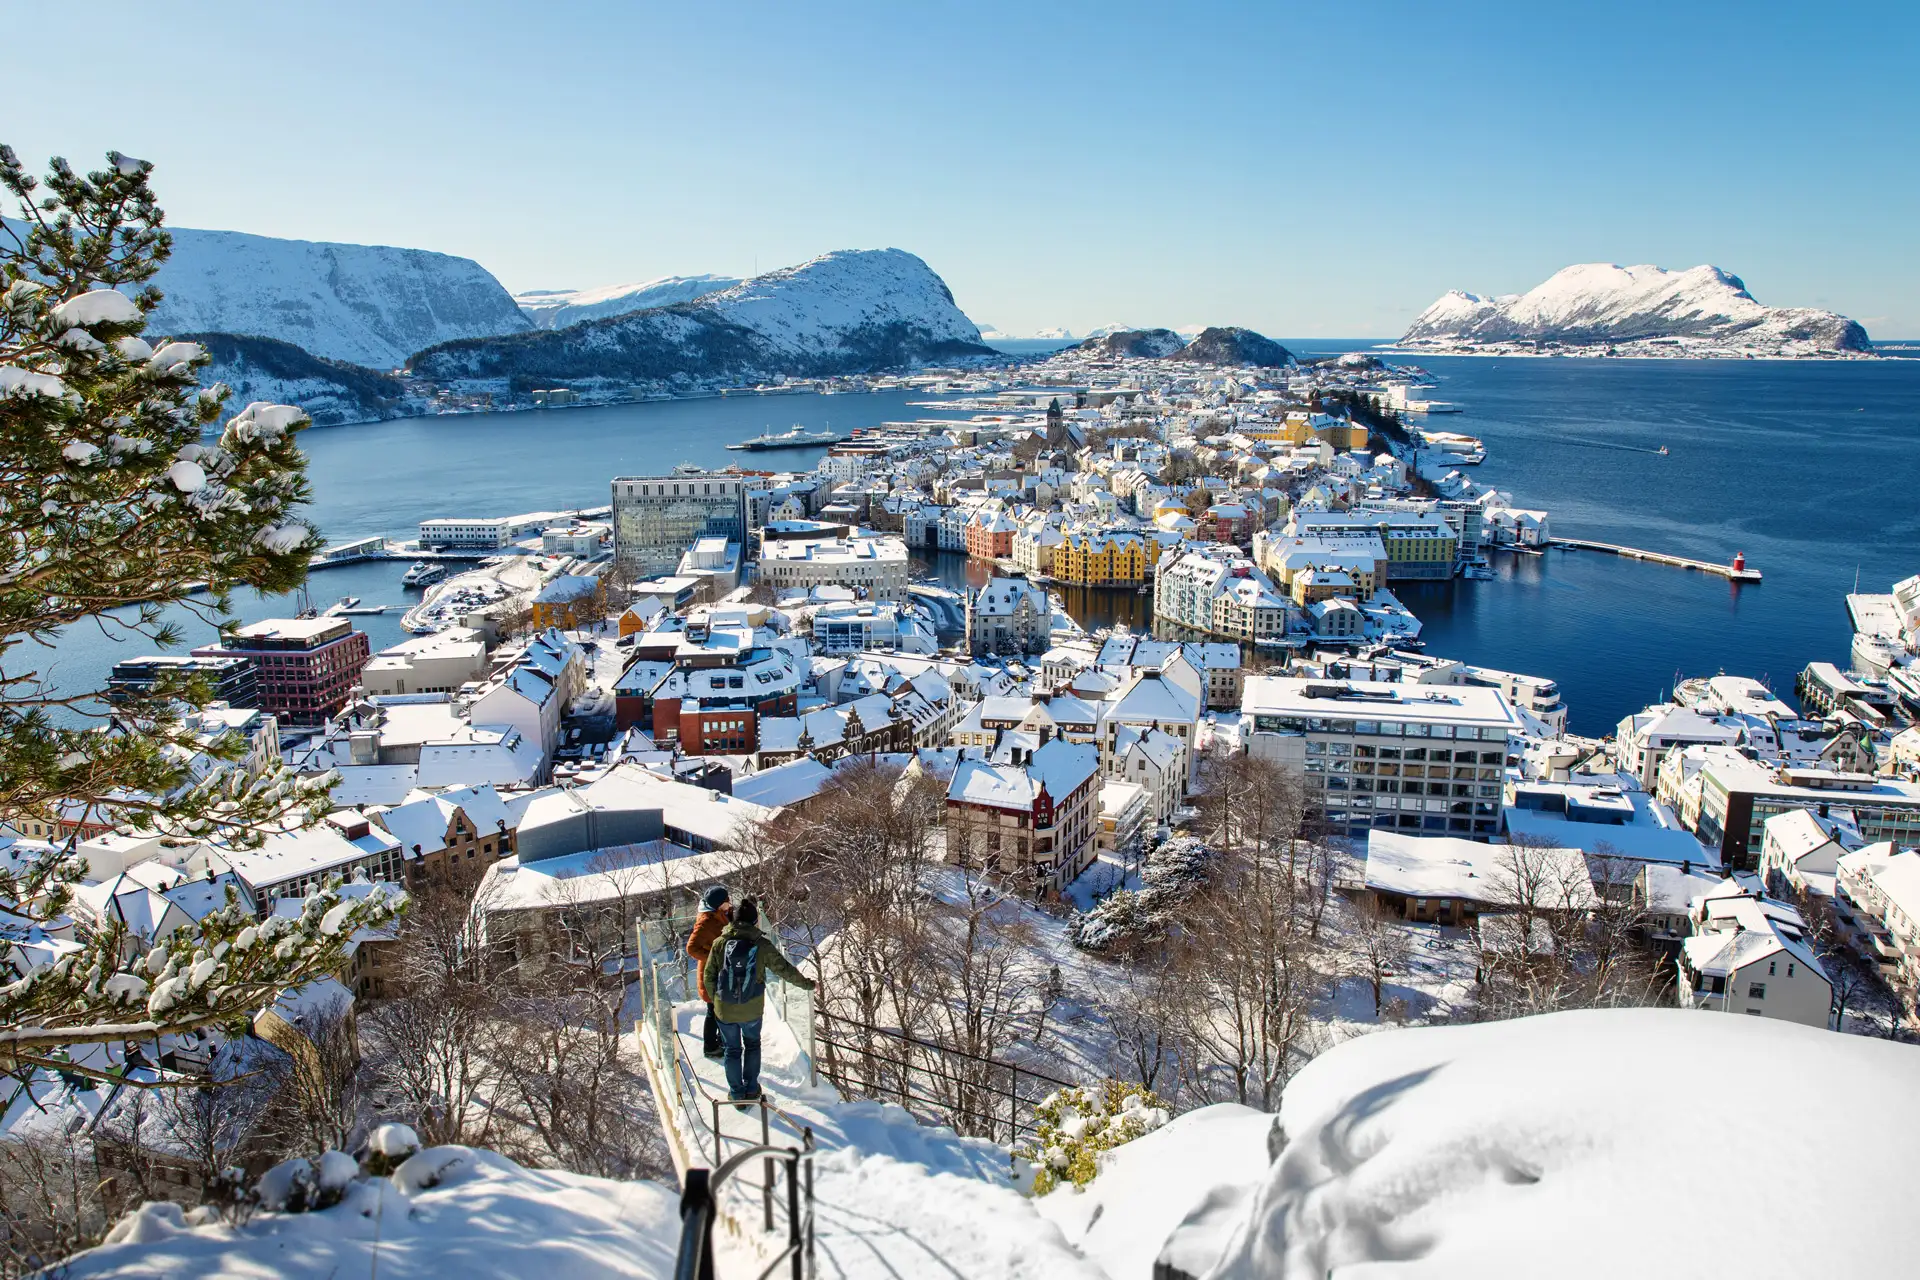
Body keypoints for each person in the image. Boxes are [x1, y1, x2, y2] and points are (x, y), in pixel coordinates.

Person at [701, 896, 815, 1103]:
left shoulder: (719, 944)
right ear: (755, 921)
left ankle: (736, 1093)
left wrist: (717, 1001)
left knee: (732, 1050)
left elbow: (708, 976)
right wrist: (807, 984)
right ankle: (752, 1088)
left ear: (731, 921)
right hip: (752, 1008)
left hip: (724, 1009)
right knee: (752, 1045)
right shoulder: (761, 944)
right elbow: (784, 969)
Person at [685, 884, 733, 1059]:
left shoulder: (719, 914)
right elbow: (691, 948)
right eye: (727, 900)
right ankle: (711, 1047)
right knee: (713, 1011)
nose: (730, 902)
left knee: (718, 1009)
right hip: (711, 974)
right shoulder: (706, 921)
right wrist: (714, 957)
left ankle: (719, 1041)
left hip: (719, 973)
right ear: (719, 904)